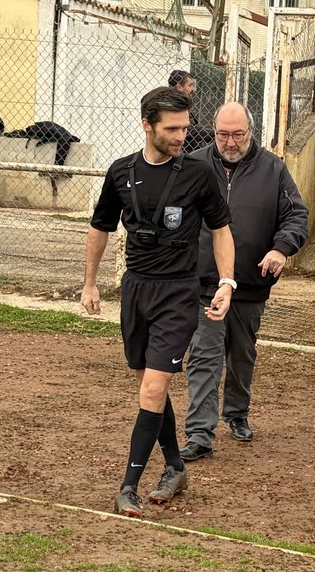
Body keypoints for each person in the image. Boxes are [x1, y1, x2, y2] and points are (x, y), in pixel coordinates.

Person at [81, 87, 234, 519]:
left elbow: (221, 229)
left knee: (153, 388)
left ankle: (128, 487)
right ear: (147, 125)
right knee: (150, 385)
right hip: (136, 290)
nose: (182, 135)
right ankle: (175, 467)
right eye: (172, 128)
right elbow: (100, 227)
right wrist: (90, 283)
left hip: (179, 292)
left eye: (185, 127)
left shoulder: (199, 174)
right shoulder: (120, 172)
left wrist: (226, 282)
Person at [181, 102, 308, 461]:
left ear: (251, 132)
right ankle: (200, 432)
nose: (230, 142)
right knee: (204, 355)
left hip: (251, 281)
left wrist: (281, 249)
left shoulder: (274, 169)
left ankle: (236, 413)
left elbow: (297, 215)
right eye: (223, 134)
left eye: (238, 135)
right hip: (205, 282)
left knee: (241, 354)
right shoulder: (194, 165)